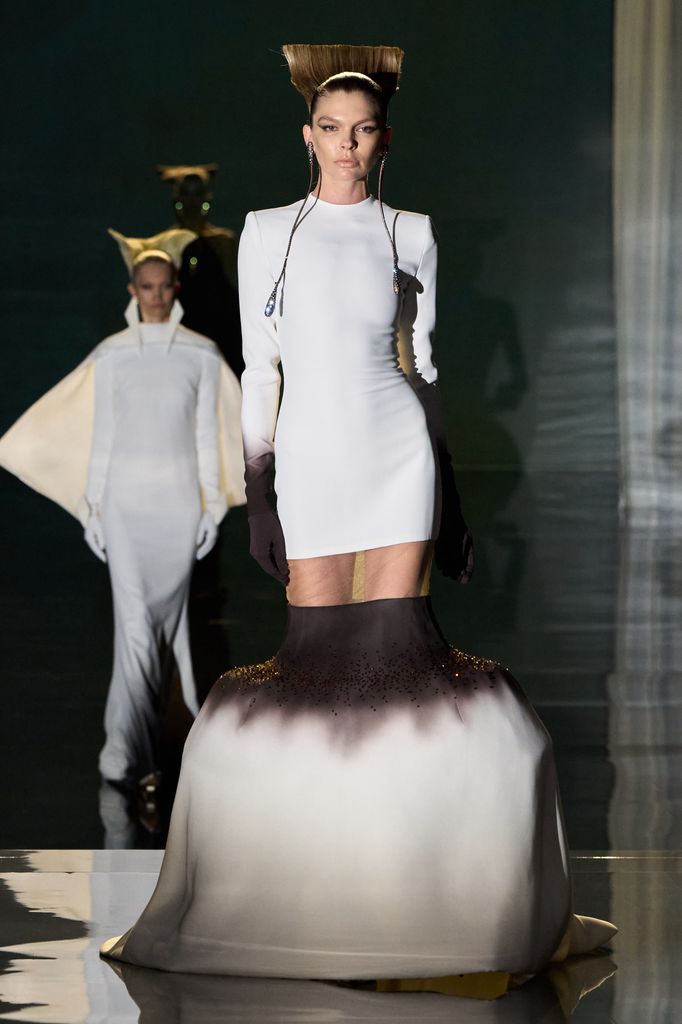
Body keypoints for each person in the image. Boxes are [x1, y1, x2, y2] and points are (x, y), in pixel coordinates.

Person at [101, 45, 615, 985]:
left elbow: (423, 362)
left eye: (364, 130)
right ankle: (324, 897)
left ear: (384, 141)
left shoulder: (410, 232)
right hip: (309, 455)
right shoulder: (268, 232)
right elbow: (262, 366)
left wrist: (447, 488)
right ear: (308, 136)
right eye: (332, 130)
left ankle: (409, 901)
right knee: (318, 664)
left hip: (395, 452)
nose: (347, 145)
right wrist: (260, 488)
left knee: (398, 658)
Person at [0, 228, 245, 789]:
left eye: (163, 286)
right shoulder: (111, 355)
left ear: (174, 287)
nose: (155, 295)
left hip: (179, 505)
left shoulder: (201, 355)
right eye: (146, 286)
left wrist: (212, 506)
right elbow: (103, 436)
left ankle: (156, 748)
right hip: (125, 506)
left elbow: (207, 436)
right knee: (135, 627)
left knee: (171, 627)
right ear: (133, 289)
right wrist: (91, 508)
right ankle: (127, 752)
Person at [157, 163, 243, 376]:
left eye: (197, 195)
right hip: (180, 334)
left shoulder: (223, 241)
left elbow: (232, 287)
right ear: (177, 199)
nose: (192, 202)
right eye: (186, 195)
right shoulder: (165, 243)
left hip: (222, 335)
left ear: (207, 198)